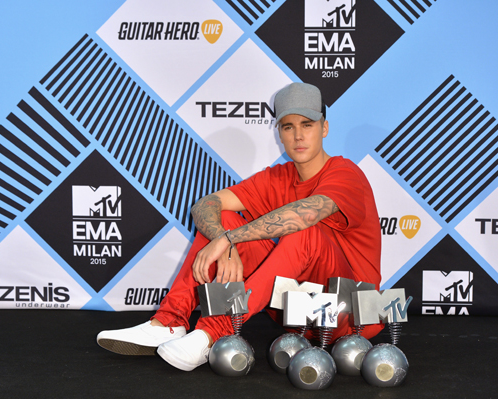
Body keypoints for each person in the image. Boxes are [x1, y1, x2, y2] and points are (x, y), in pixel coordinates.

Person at [97, 82, 384, 371]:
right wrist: (223, 240)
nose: (298, 135)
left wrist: (228, 240)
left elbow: (306, 214)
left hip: (349, 315)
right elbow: (206, 203)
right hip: (295, 314)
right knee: (224, 219)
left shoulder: (346, 173)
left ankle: (212, 332)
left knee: (303, 233)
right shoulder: (278, 177)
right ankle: (169, 322)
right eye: (288, 127)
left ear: (324, 128)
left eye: (307, 125)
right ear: (279, 133)